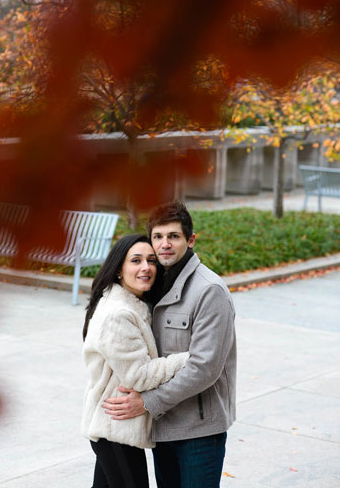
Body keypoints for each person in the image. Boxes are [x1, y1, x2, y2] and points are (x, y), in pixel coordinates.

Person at [102, 201, 237, 488]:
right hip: (162, 427)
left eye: (173, 236)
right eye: (158, 237)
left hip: (198, 431)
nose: (164, 244)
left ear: (190, 240)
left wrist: (147, 402)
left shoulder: (209, 291)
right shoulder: (152, 283)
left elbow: (205, 367)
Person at [82, 234, 190, 488]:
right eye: (136, 260)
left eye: (151, 260)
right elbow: (138, 375)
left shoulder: (129, 303)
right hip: (115, 428)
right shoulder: (118, 314)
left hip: (114, 425)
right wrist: (187, 358)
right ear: (119, 269)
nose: (146, 267)